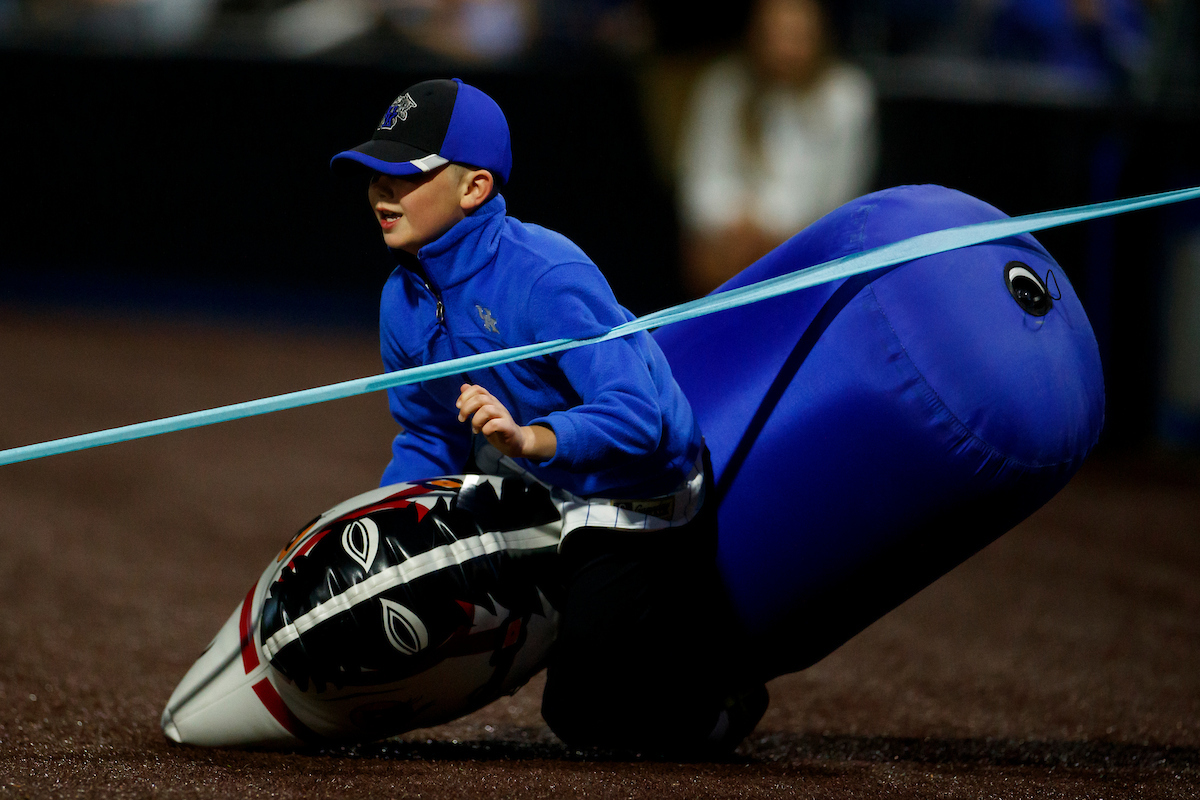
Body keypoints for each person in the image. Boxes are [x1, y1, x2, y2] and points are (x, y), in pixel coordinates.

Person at [330, 77, 766, 755]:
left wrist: (530, 438)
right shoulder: (401, 299)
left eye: (404, 176)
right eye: (374, 175)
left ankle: (721, 699)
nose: (381, 194)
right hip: (535, 478)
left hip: (635, 498)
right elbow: (427, 432)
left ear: (474, 188)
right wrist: (388, 527)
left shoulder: (546, 275)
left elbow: (640, 420)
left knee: (582, 713)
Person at [675, 0, 878, 297]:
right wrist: (735, 223)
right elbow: (697, 181)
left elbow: (839, 197)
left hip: (807, 256)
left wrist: (768, 229)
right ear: (754, 34)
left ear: (820, 35)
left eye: (796, 36)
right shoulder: (722, 86)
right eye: (774, 35)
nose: (784, 49)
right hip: (726, 250)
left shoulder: (846, 95)